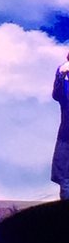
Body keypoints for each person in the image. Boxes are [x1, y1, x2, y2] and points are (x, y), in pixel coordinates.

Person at [51, 53, 69, 199]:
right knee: (64, 178)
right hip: (66, 136)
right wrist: (61, 76)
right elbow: (57, 95)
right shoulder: (64, 75)